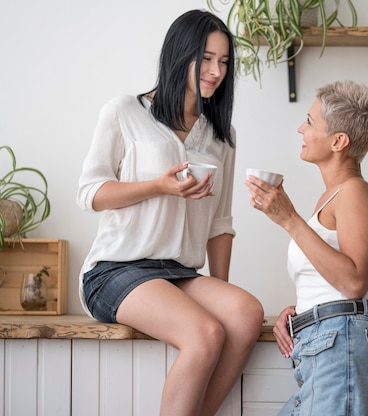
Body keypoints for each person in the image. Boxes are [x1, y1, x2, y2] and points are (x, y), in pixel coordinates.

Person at [76, 10, 264, 416]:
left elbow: (220, 224)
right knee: (205, 333)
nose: (216, 71)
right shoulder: (125, 111)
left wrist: (220, 291)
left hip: (178, 273)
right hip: (116, 268)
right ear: (181, 55)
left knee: (246, 314)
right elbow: (91, 194)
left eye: (225, 61)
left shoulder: (222, 136)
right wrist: (158, 186)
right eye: (207, 58)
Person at [244, 79, 368, 415]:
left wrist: (289, 219)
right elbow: (334, 280)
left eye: (310, 122)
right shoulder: (332, 198)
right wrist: (305, 312)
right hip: (326, 346)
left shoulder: (355, 192)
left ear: (339, 141)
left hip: (341, 349)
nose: (301, 128)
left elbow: (355, 282)